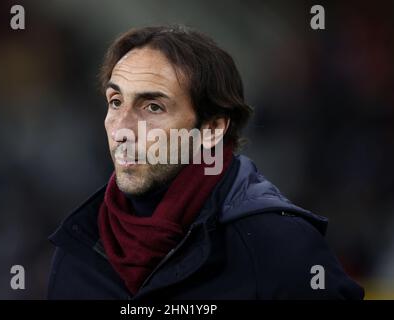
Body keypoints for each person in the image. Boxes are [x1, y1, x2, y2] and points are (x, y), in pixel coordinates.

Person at [47, 25, 364, 300]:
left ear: (211, 130)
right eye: (115, 102)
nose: (121, 129)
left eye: (153, 107)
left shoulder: (279, 245)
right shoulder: (78, 251)